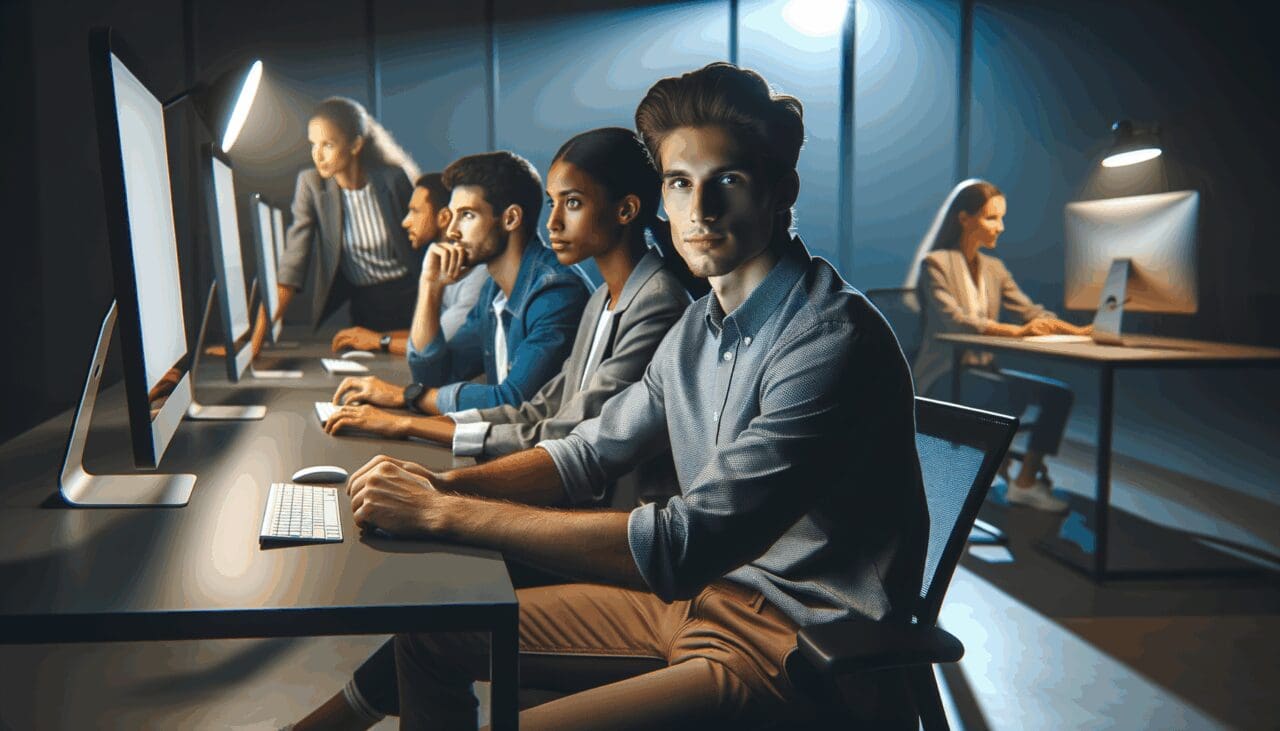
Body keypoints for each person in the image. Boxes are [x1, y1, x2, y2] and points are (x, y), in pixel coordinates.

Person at [289, 62, 927, 730]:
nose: (701, 210)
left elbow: (686, 541)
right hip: (694, 601)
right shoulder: (698, 327)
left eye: (729, 180)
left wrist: (445, 513)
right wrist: (445, 486)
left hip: (793, 648)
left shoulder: (829, 337)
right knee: (431, 635)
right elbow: (585, 452)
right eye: (680, 183)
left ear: (780, 190)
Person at [323, 127, 692, 465]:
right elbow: (533, 407)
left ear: (625, 210)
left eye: (573, 203)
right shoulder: (597, 300)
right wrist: (429, 286)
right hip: (554, 470)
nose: (553, 223)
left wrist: (408, 420)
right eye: (553, 203)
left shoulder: (630, 298)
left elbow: (560, 427)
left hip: (602, 500)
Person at [330, 151, 591, 416]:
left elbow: (515, 401)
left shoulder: (556, 292)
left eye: (467, 215)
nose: (452, 231)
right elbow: (433, 376)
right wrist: (430, 286)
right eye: (452, 215)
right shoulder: (493, 292)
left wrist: (406, 396)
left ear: (511, 218)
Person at [912, 179, 1087, 512]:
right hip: (944, 375)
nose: (1001, 227)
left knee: (1058, 395)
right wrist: (1018, 333)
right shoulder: (935, 264)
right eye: (992, 217)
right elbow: (955, 320)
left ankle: (1025, 482)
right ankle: (991, 470)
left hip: (984, 372)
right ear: (965, 219)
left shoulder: (994, 269)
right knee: (1007, 395)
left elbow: (1030, 311)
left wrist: (1078, 331)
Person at [268, 97, 422, 350]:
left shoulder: (393, 180)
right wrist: (253, 341)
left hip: (412, 303)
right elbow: (293, 264)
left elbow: (427, 243)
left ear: (355, 145)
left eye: (328, 144)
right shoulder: (311, 184)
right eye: (313, 144)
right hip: (364, 309)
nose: (318, 155)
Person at [329, 172, 489, 355]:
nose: (405, 222)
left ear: (444, 218)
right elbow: (427, 334)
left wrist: (379, 341)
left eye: (415, 211)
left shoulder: (478, 275)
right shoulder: (443, 265)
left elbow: (436, 345)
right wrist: (370, 337)